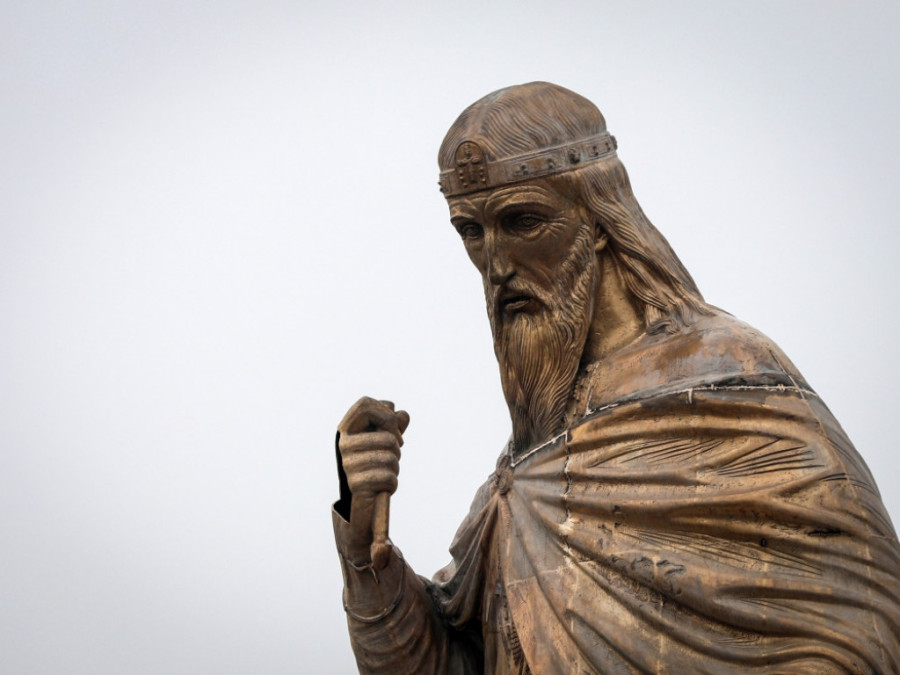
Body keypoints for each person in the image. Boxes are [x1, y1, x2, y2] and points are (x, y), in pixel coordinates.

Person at [332, 82, 900, 673]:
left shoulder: (728, 372)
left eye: (522, 221)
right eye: (472, 232)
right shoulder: (521, 474)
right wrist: (363, 540)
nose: (496, 266)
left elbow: (861, 625)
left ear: (599, 215)